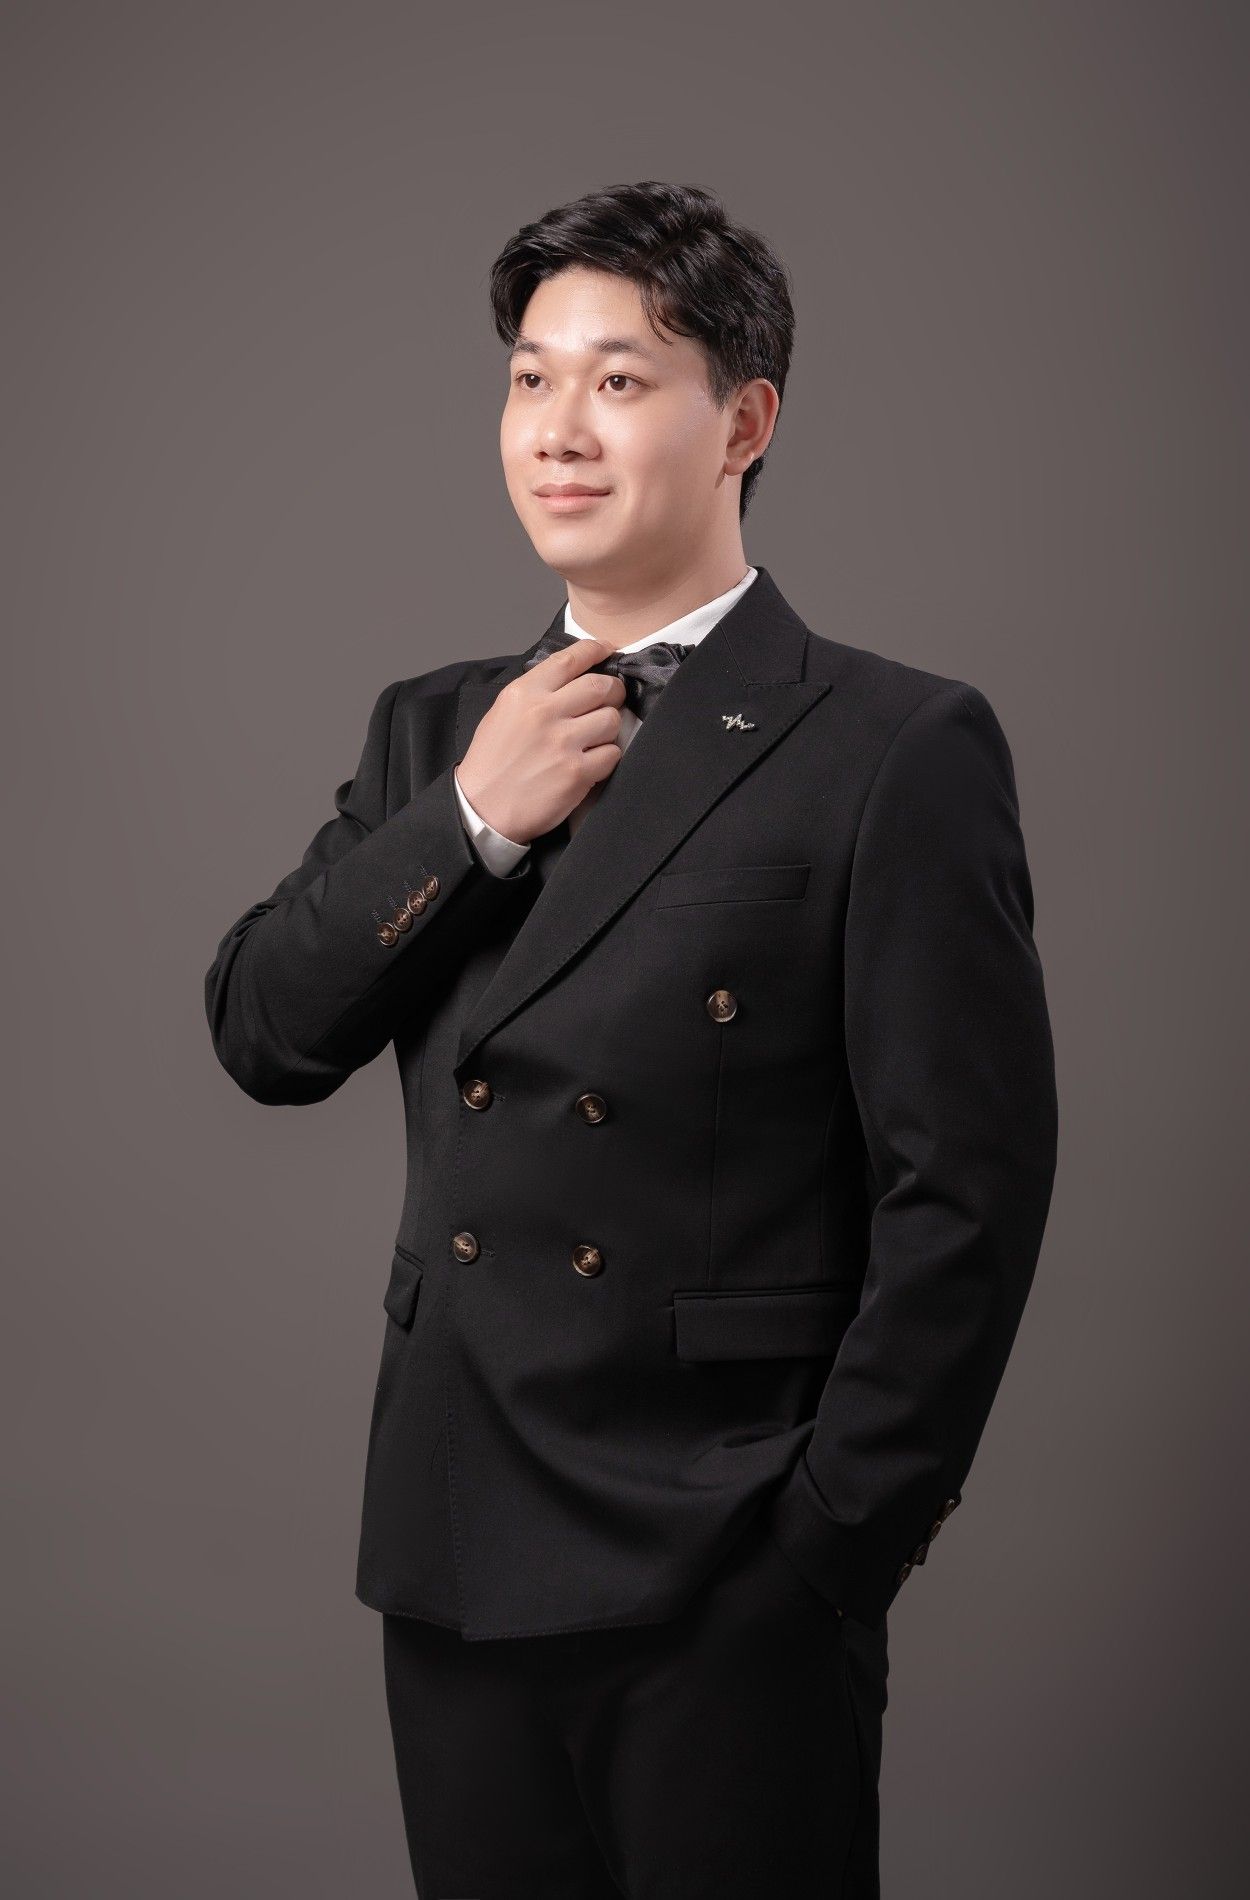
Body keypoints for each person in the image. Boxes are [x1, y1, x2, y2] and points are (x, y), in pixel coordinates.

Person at [204, 180, 1058, 1898]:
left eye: (616, 380)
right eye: (530, 380)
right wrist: (469, 820)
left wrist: (828, 1548)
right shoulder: (435, 730)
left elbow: (964, 1190)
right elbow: (263, 1031)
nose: (556, 430)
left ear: (742, 423)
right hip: (455, 1544)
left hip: (724, 1561)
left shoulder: (890, 744)